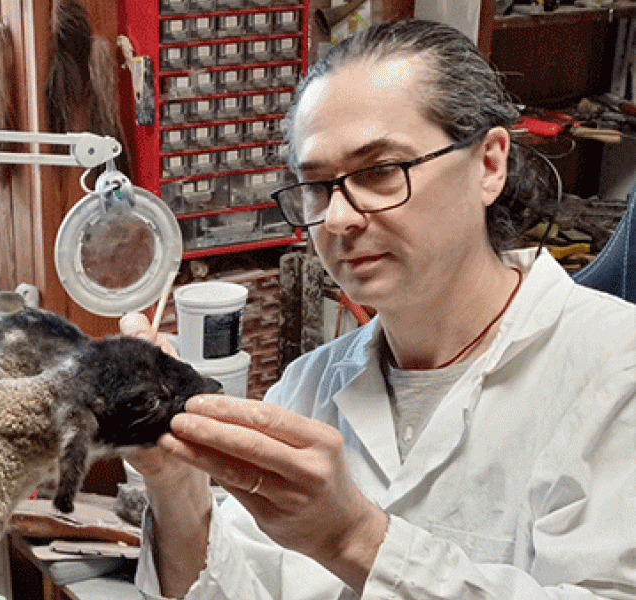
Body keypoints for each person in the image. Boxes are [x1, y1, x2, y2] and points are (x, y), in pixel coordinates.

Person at [121, 19, 636, 600]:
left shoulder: (616, 369)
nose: (338, 219)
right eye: (316, 186)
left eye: (381, 172)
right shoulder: (308, 386)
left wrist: (354, 538)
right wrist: (174, 481)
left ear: (489, 163)